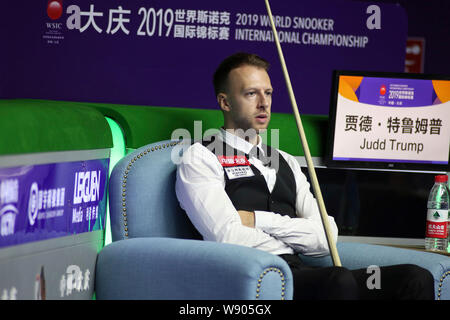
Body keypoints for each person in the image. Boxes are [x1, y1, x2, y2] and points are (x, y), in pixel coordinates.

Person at [175, 52, 434, 300]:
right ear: (225, 102)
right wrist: (296, 238)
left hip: (304, 275)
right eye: (251, 93)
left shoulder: (285, 160)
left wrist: (256, 219)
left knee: (414, 278)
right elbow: (227, 236)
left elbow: (325, 238)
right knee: (338, 280)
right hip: (253, 280)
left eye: (268, 93)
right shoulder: (201, 157)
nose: (264, 103)